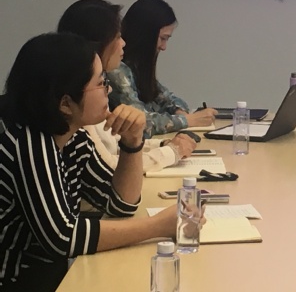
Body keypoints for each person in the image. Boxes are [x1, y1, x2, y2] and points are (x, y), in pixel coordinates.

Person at [0, 33, 178, 291]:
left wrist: (132, 142)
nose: (109, 90)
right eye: (101, 82)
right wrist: (157, 226)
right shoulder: (27, 143)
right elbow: (62, 237)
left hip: (47, 276)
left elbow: (120, 205)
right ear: (65, 103)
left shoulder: (74, 139)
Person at [57, 0, 197, 171]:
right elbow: (108, 167)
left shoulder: (104, 81)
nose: (123, 43)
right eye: (117, 37)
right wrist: (172, 152)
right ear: (98, 43)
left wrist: (162, 144)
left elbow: (115, 142)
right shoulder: (83, 97)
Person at [108, 0, 216, 137]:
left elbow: (168, 99)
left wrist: (179, 111)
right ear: (145, 35)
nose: (164, 47)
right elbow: (140, 122)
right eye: (162, 38)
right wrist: (188, 120)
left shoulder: (136, 66)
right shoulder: (116, 69)